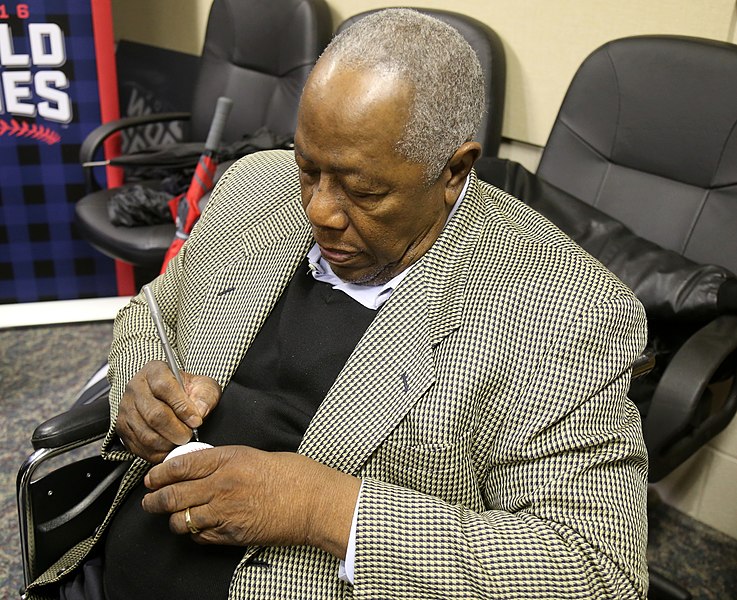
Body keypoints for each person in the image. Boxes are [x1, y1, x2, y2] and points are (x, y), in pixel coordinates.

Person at [30, 8, 649, 600]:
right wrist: (138, 388)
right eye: (308, 169)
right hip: (103, 567)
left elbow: (595, 573)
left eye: (363, 190)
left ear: (454, 171)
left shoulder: (561, 308)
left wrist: (327, 509)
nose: (319, 212)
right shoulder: (254, 188)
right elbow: (151, 314)